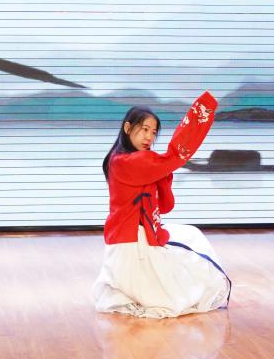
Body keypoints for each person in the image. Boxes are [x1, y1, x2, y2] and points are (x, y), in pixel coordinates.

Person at [93, 92, 230, 318]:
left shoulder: (135, 160)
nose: (149, 137)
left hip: (137, 234)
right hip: (132, 244)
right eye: (144, 129)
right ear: (127, 128)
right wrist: (202, 110)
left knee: (191, 235)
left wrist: (163, 173)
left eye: (154, 132)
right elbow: (176, 155)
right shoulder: (126, 162)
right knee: (181, 285)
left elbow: (165, 206)